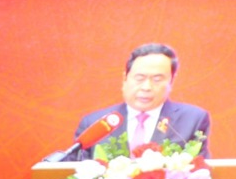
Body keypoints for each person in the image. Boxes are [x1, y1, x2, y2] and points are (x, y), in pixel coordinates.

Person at [67, 43, 210, 160]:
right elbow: (75, 174)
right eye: (139, 78)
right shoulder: (95, 123)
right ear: (125, 79)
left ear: (171, 81)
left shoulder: (192, 120)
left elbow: (200, 174)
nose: (146, 87)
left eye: (157, 79)